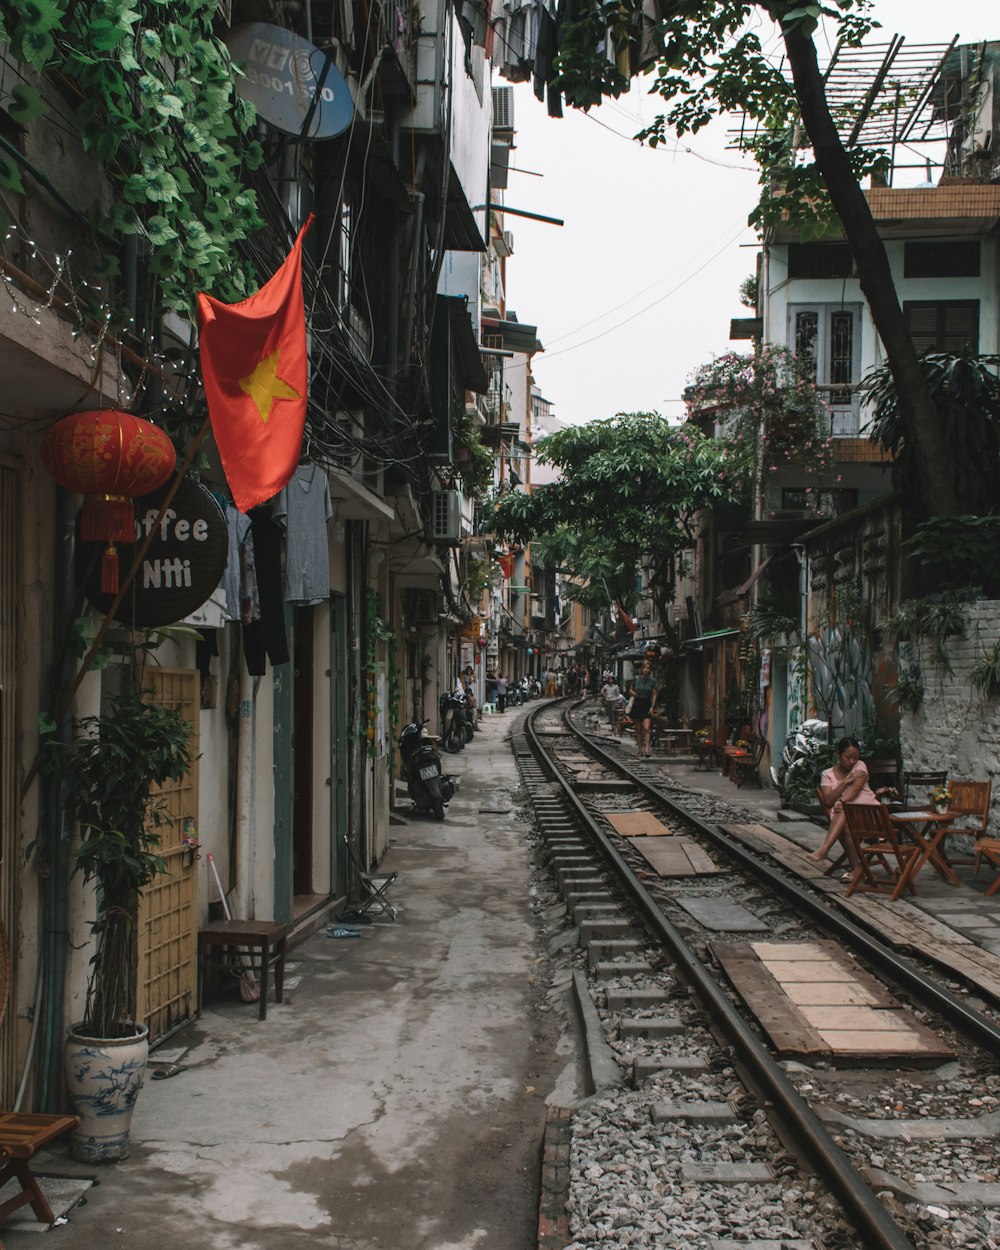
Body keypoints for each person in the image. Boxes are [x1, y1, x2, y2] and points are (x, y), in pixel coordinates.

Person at [811, 736, 897, 874]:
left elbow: (856, 788)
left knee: (844, 810)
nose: (852, 761)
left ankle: (825, 849)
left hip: (870, 816)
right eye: (848, 757)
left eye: (855, 758)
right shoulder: (827, 774)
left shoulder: (860, 766)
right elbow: (827, 801)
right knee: (845, 820)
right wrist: (845, 782)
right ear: (838, 755)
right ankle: (856, 869)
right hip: (848, 819)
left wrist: (842, 801)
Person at [627, 661, 658, 757]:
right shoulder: (636, 679)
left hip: (646, 704)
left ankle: (647, 749)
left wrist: (652, 706)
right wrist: (633, 693)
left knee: (646, 728)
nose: (646, 670)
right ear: (642, 669)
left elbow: (654, 694)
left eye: (648, 668)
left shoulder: (652, 681)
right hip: (637, 703)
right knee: (638, 728)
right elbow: (630, 689)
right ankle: (640, 749)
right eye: (645, 668)